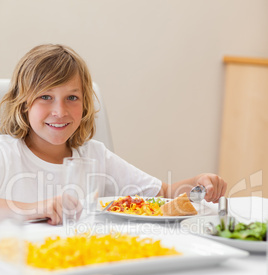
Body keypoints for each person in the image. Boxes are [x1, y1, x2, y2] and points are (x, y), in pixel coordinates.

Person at [0, 44, 227, 225]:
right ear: (23, 104)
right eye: (45, 97)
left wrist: (198, 184)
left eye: (72, 98)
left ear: (85, 104)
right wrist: (33, 208)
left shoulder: (96, 156)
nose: (60, 111)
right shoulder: (5, 152)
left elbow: (164, 193)